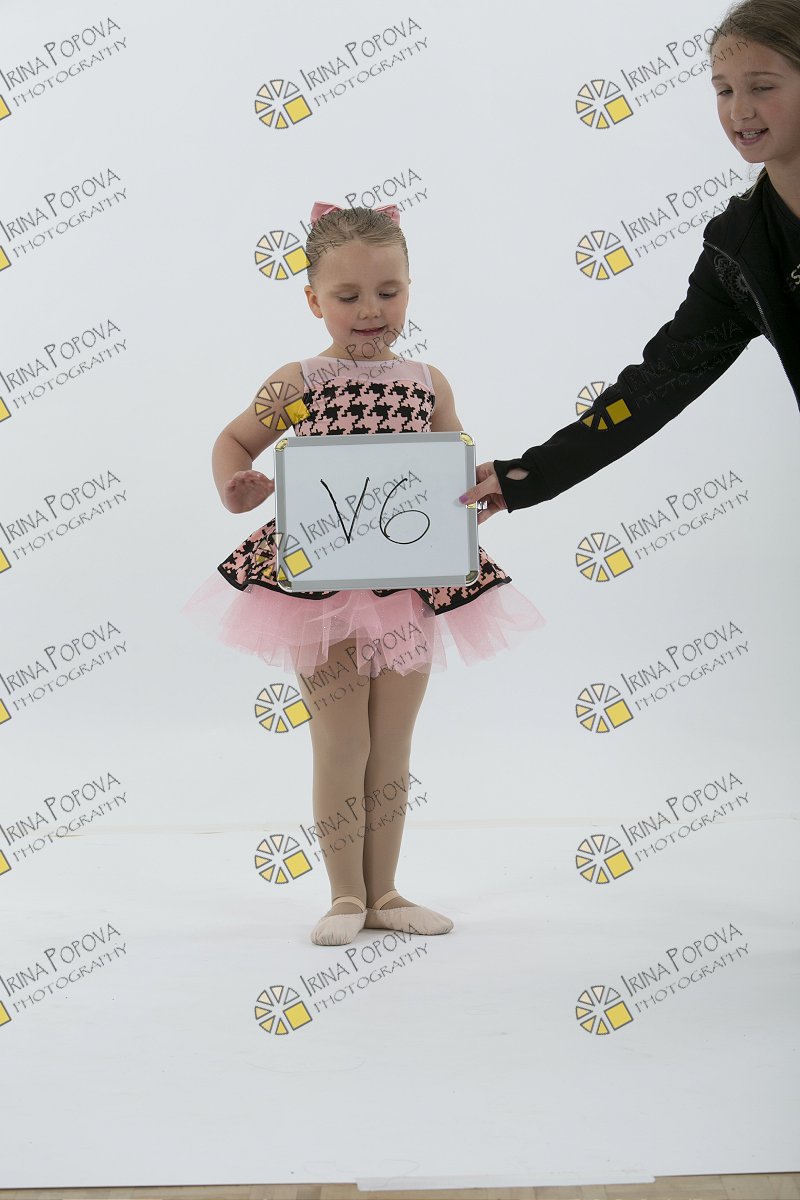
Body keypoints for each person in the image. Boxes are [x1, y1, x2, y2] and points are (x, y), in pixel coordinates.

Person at [182, 202, 544, 946]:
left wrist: (475, 493)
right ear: (313, 300)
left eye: (389, 291)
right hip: (321, 584)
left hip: (408, 580)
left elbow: (448, 464)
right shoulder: (297, 380)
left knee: (393, 743)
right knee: (341, 740)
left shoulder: (428, 381)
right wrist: (235, 485)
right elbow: (233, 439)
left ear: (410, 288)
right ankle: (345, 894)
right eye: (347, 296)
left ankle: (387, 892)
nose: (371, 310)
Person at [459, 0, 800, 523]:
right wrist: (534, 472)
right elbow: (655, 384)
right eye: (724, 90)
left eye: (762, 87)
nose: (739, 112)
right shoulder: (739, 248)